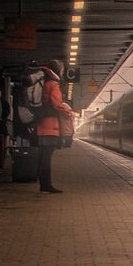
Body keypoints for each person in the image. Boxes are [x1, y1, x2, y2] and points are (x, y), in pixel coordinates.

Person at [36, 59, 74, 194]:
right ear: (59, 70)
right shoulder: (53, 84)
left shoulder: (44, 82)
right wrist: (68, 112)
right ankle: (46, 185)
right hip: (51, 126)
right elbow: (57, 104)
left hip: (42, 124)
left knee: (42, 155)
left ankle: (43, 183)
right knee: (46, 156)